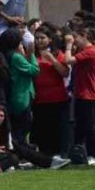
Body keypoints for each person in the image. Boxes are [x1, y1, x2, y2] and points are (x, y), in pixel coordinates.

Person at [31, 29, 69, 157]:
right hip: (39, 98)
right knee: (42, 128)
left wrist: (52, 59)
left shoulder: (57, 53)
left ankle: (58, 153)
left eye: (42, 38)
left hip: (57, 97)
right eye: (37, 38)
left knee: (56, 128)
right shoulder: (32, 54)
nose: (39, 41)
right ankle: (44, 154)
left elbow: (65, 72)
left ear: (49, 39)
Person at [71, 26, 95, 164]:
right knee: (80, 125)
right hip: (81, 92)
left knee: (90, 125)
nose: (74, 42)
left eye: (76, 38)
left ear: (84, 35)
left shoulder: (90, 51)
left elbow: (69, 60)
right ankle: (77, 152)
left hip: (88, 94)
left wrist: (68, 47)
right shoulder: (84, 50)